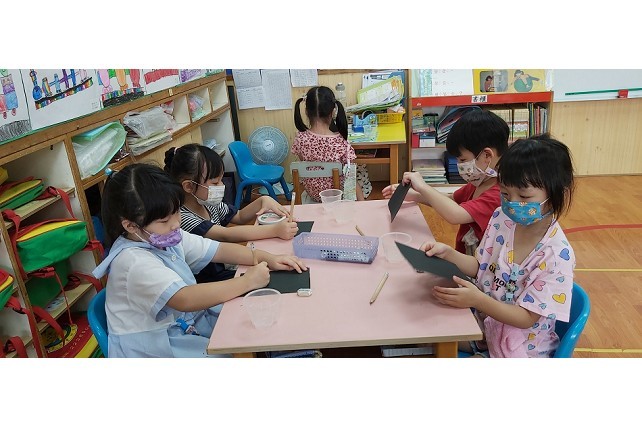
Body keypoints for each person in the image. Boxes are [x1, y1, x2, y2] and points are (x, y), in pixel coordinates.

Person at [92, 163, 307, 358]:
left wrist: (268, 258)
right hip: (153, 346)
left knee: (257, 324)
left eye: (176, 213)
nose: (176, 224)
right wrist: (247, 282)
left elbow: (218, 250)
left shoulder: (165, 236)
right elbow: (184, 298)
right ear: (131, 226)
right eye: (165, 220)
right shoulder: (132, 262)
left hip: (183, 323)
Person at [421, 135, 576, 357]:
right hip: (487, 333)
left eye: (524, 196)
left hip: (521, 350)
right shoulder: (501, 218)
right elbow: (482, 266)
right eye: (505, 193)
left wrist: (478, 300)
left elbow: (526, 318)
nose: (512, 203)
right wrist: (449, 254)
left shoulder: (556, 255)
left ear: (556, 193)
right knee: (424, 330)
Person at [164, 144, 298, 282]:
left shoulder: (207, 202)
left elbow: (239, 216)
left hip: (223, 264)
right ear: (189, 186)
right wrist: (275, 230)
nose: (222, 185)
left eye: (221, 180)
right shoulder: (183, 218)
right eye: (215, 182)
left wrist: (263, 200)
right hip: (210, 278)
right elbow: (226, 235)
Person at [382, 109, 509, 255]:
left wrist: (422, 186)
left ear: (487, 155)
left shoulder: (499, 195)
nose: (459, 165)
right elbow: (451, 199)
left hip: (480, 265)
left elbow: (456, 214)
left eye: (463, 160)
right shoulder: (480, 182)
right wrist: (413, 195)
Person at [292, 86, 372, 203]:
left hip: (313, 194)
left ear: (306, 111)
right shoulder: (341, 142)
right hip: (336, 195)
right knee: (358, 173)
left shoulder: (300, 138)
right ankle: (363, 206)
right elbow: (350, 176)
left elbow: (304, 163)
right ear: (333, 111)